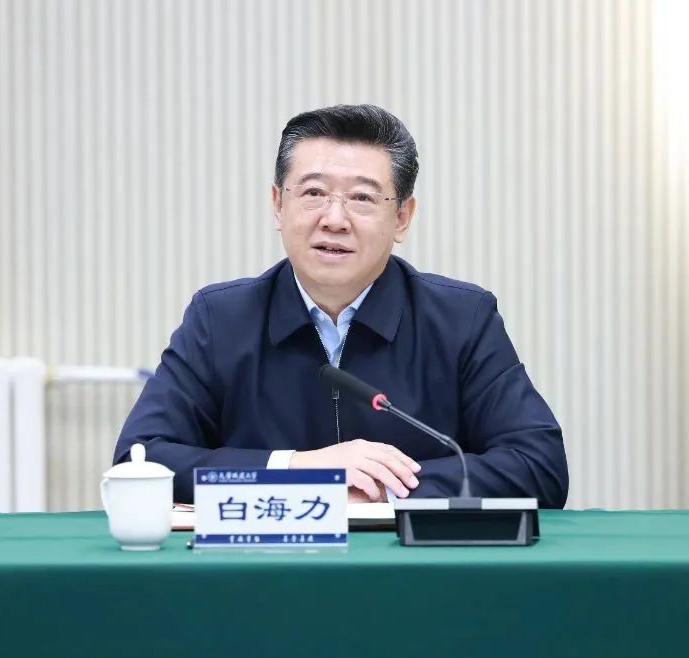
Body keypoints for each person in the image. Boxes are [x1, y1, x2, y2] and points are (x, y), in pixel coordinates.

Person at [114, 104, 569, 507]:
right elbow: (140, 459)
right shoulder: (221, 319)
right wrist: (300, 470)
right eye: (313, 193)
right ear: (278, 205)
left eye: (362, 198)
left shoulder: (460, 319)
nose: (334, 219)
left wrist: (383, 487)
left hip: (409, 568)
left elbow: (538, 464)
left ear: (402, 217)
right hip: (265, 568)